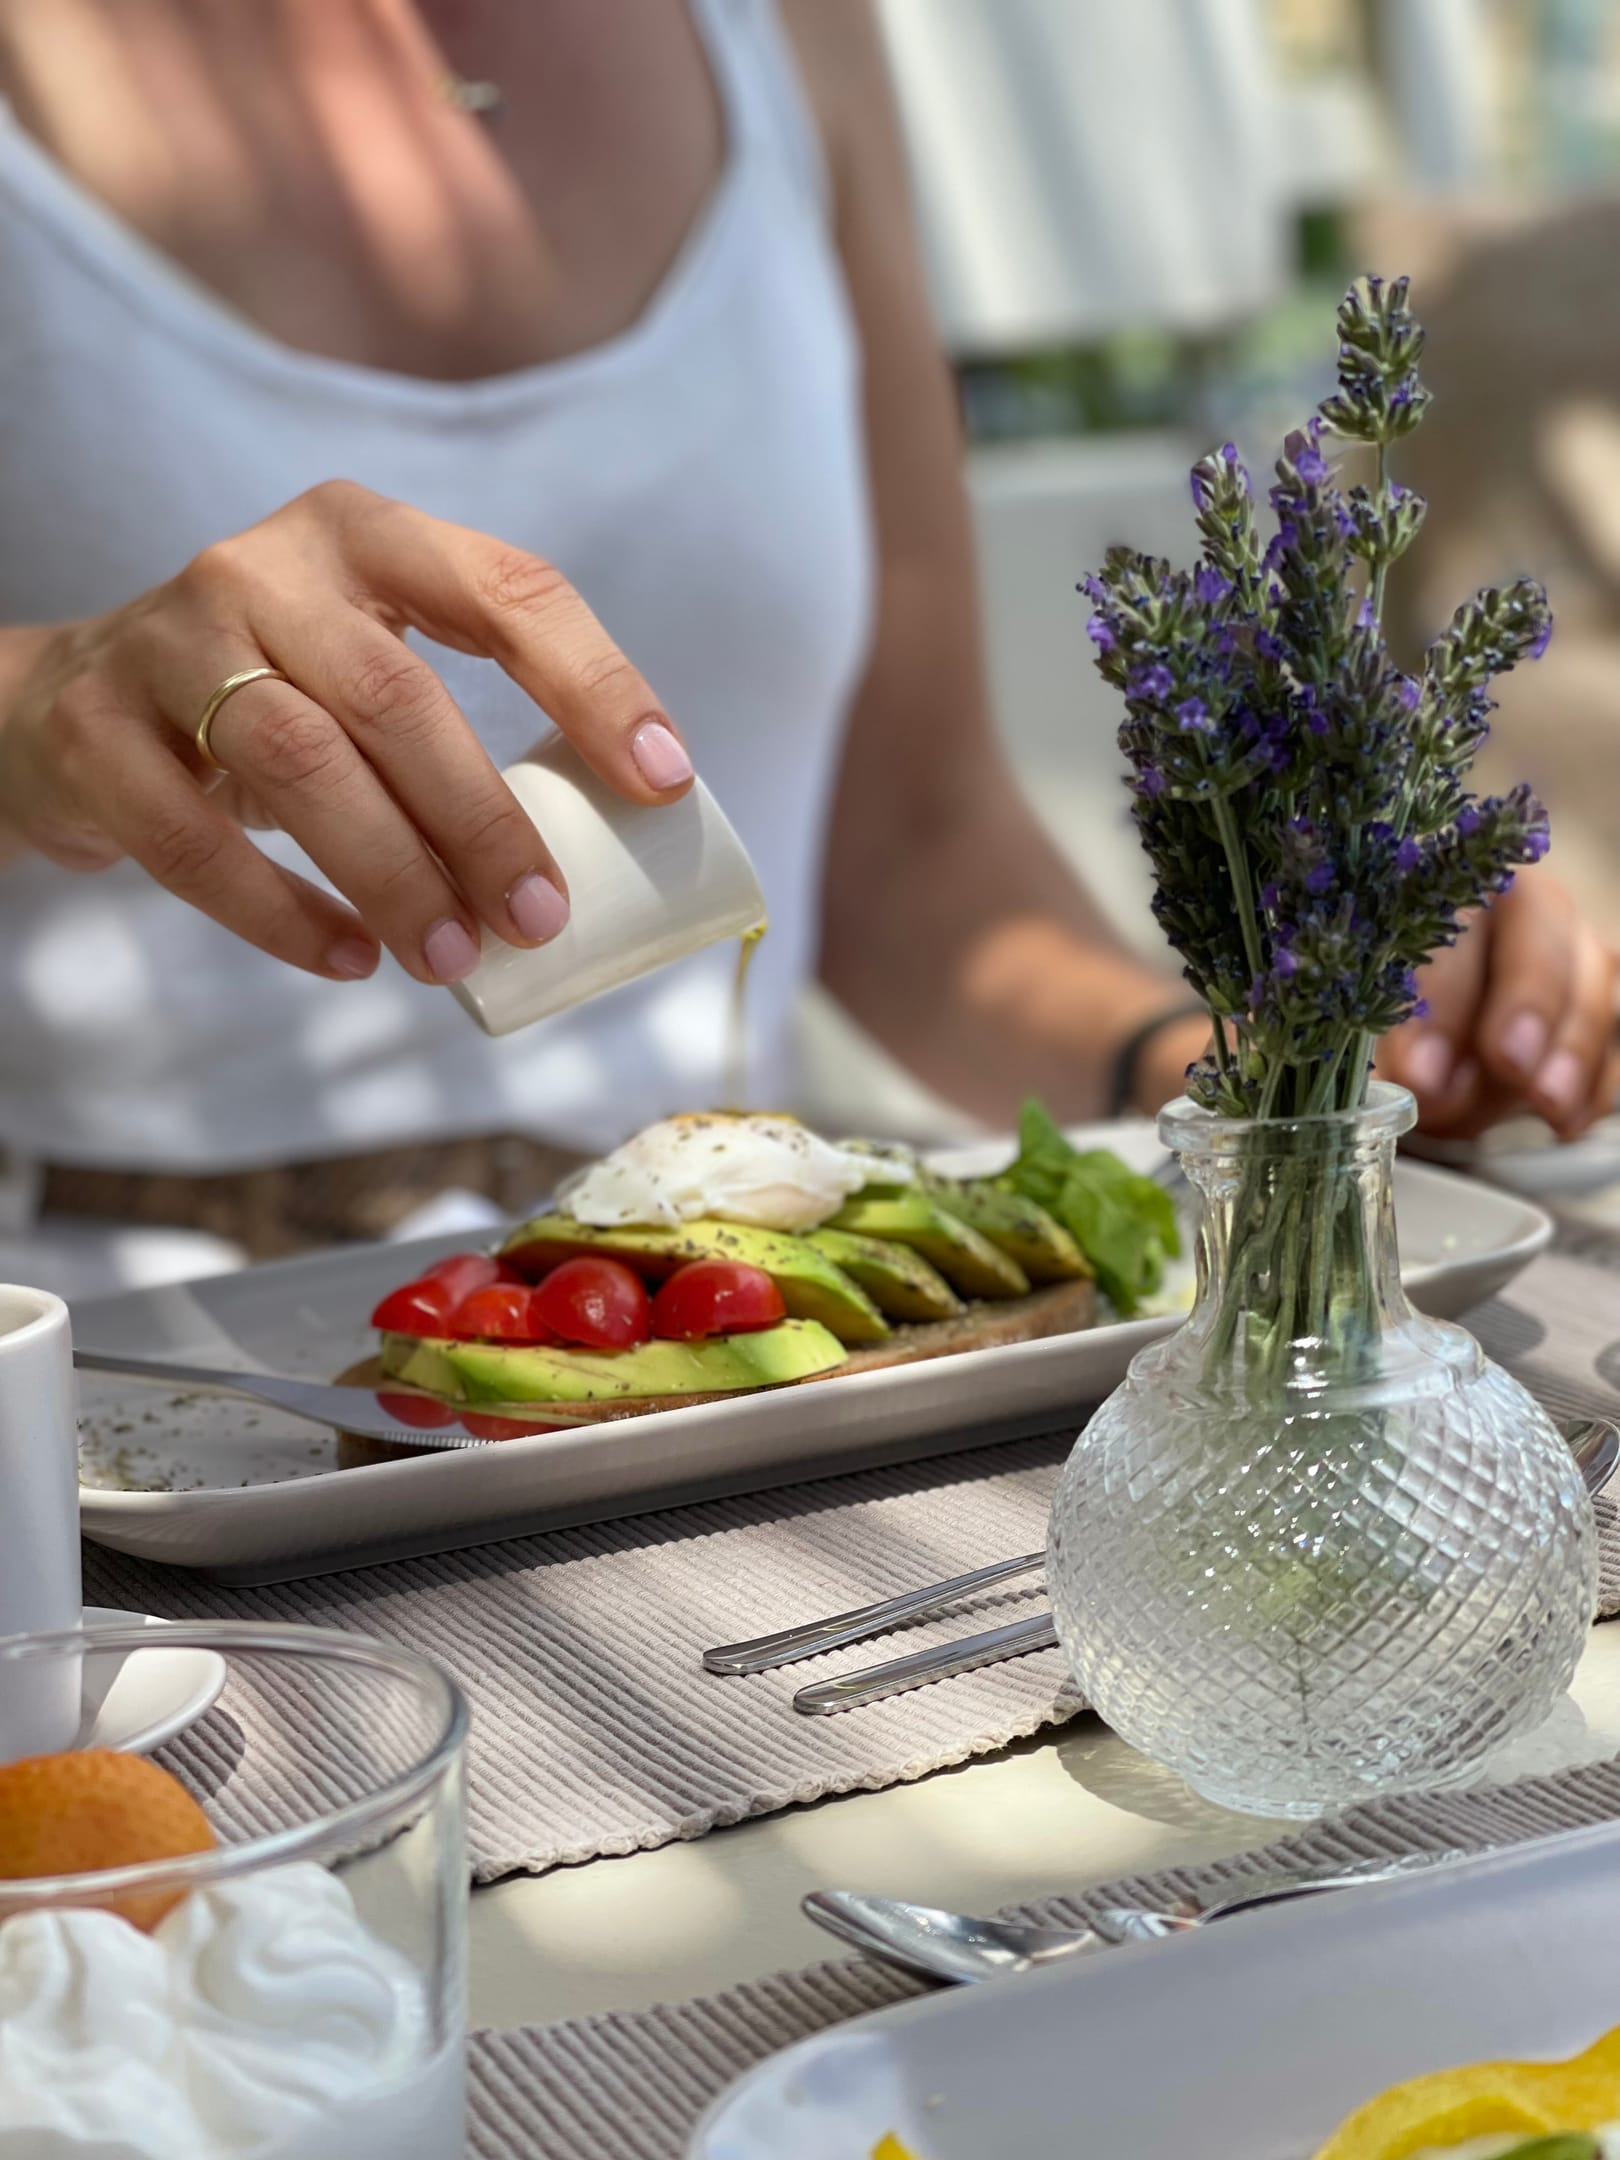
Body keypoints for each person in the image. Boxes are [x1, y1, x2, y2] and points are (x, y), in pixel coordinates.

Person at [0, 1, 1610, 1282]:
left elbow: (910, 855)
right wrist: (35, 716)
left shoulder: (788, 30)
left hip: (747, 1311)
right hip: (118, 1361)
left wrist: (1249, 1076)